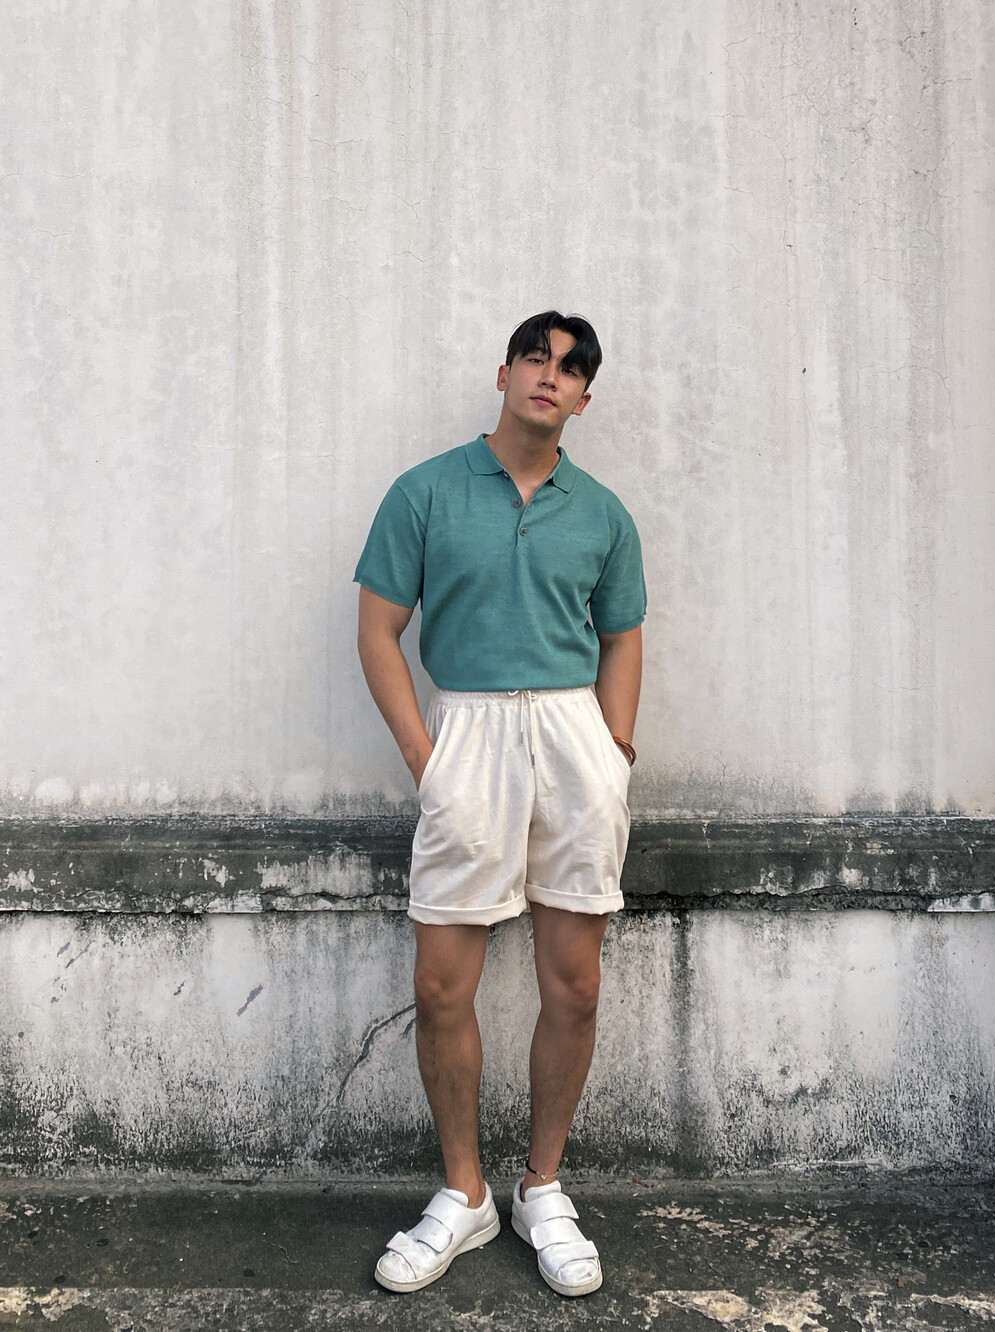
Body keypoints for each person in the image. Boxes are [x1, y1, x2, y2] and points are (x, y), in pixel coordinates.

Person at [353, 310, 646, 1297]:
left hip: (571, 735)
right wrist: (426, 758)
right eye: (535, 358)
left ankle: (542, 1188)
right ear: (505, 372)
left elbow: (621, 635)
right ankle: (465, 1193)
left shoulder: (601, 512)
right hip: (467, 734)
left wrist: (614, 750)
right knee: (442, 985)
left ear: (583, 398)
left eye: (569, 369)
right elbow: (378, 631)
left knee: (576, 984)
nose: (549, 376)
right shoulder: (426, 492)